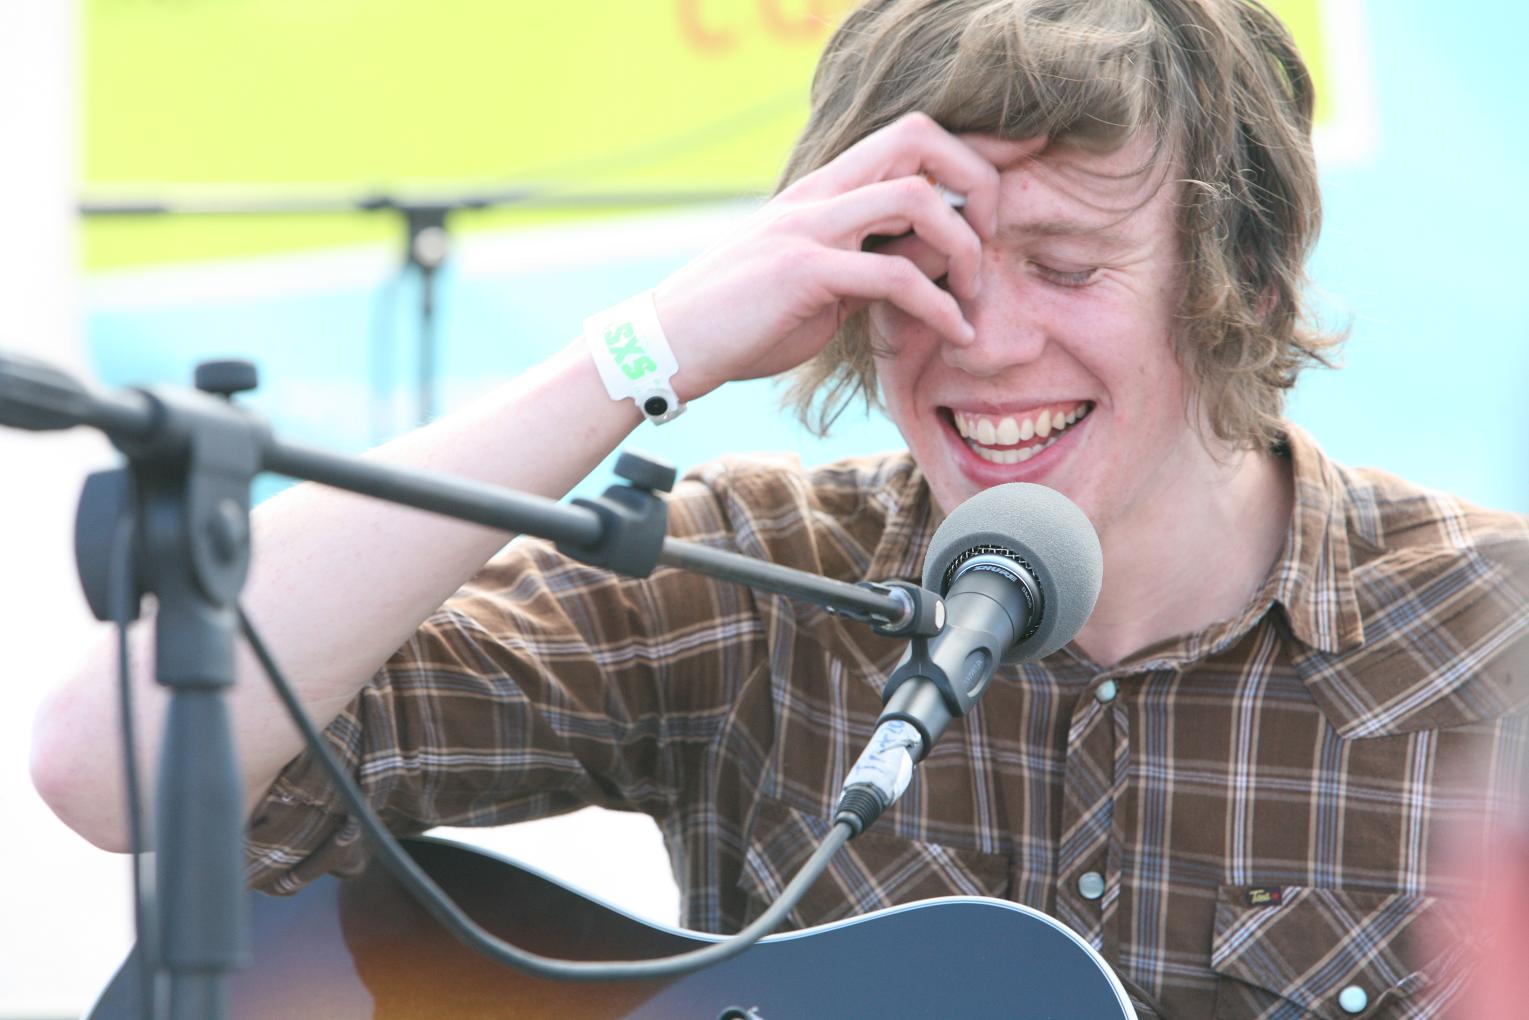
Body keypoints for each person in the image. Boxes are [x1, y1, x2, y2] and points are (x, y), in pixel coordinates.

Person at [31, 0, 1529, 1016]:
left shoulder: (1493, 631)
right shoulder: (766, 571)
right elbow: (112, 768)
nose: (982, 339)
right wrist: (643, 352)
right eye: (916, 264)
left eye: (1066, 268)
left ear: (1243, 282)